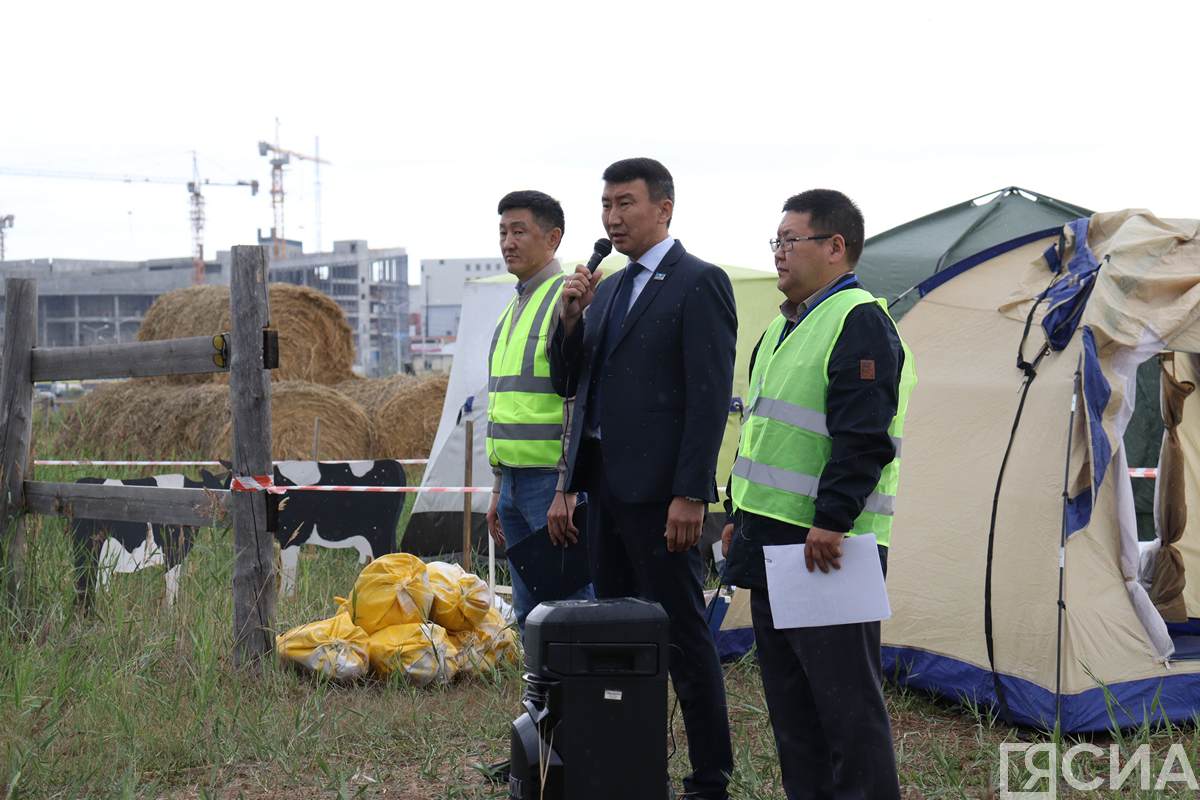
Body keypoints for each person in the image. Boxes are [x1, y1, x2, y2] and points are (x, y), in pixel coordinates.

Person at [549, 157, 736, 800]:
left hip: (662, 498)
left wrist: (691, 493)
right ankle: (624, 759)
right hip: (604, 493)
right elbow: (571, 382)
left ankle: (710, 777)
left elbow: (708, 398)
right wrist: (571, 318)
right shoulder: (606, 288)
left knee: (682, 636)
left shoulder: (698, 283)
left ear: (665, 207)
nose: (612, 217)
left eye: (625, 203)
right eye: (605, 205)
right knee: (616, 636)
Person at [721, 189, 915, 800]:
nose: (778, 254)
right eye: (774, 242)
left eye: (789, 241)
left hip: (826, 547)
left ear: (836, 247)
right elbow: (763, 433)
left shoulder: (858, 321)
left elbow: (863, 438)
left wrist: (831, 520)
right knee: (793, 707)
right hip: (772, 539)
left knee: (845, 709)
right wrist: (736, 514)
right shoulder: (784, 326)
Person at [485, 189, 594, 631]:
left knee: (569, 607)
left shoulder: (566, 301)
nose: (508, 242)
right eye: (502, 232)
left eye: (519, 231)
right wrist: (497, 489)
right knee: (531, 614)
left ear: (553, 238)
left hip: (550, 483)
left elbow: (577, 402)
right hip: (513, 483)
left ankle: (584, 700)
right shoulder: (511, 308)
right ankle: (542, 700)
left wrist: (565, 487)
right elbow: (503, 406)